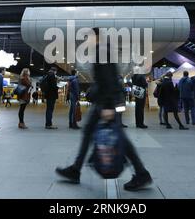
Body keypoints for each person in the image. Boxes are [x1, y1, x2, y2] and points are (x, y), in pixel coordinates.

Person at [56, 27, 152, 191]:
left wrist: (108, 105)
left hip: (105, 102)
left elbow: (108, 78)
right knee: (93, 133)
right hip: (103, 101)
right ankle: (75, 169)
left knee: (117, 137)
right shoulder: (102, 50)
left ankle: (141, 173)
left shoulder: (102, 50)